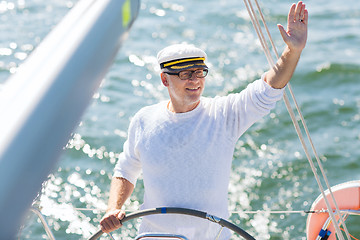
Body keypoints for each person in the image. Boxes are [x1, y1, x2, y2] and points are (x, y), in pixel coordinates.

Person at [100, 1, 308, 239]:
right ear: (165, 80)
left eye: (200, 72)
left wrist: (293, 51)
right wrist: (113, 207)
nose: (195, 80)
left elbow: (268, 88)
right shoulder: (143, 119)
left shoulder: (224, 114)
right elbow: (126, 170)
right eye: (185, 74)